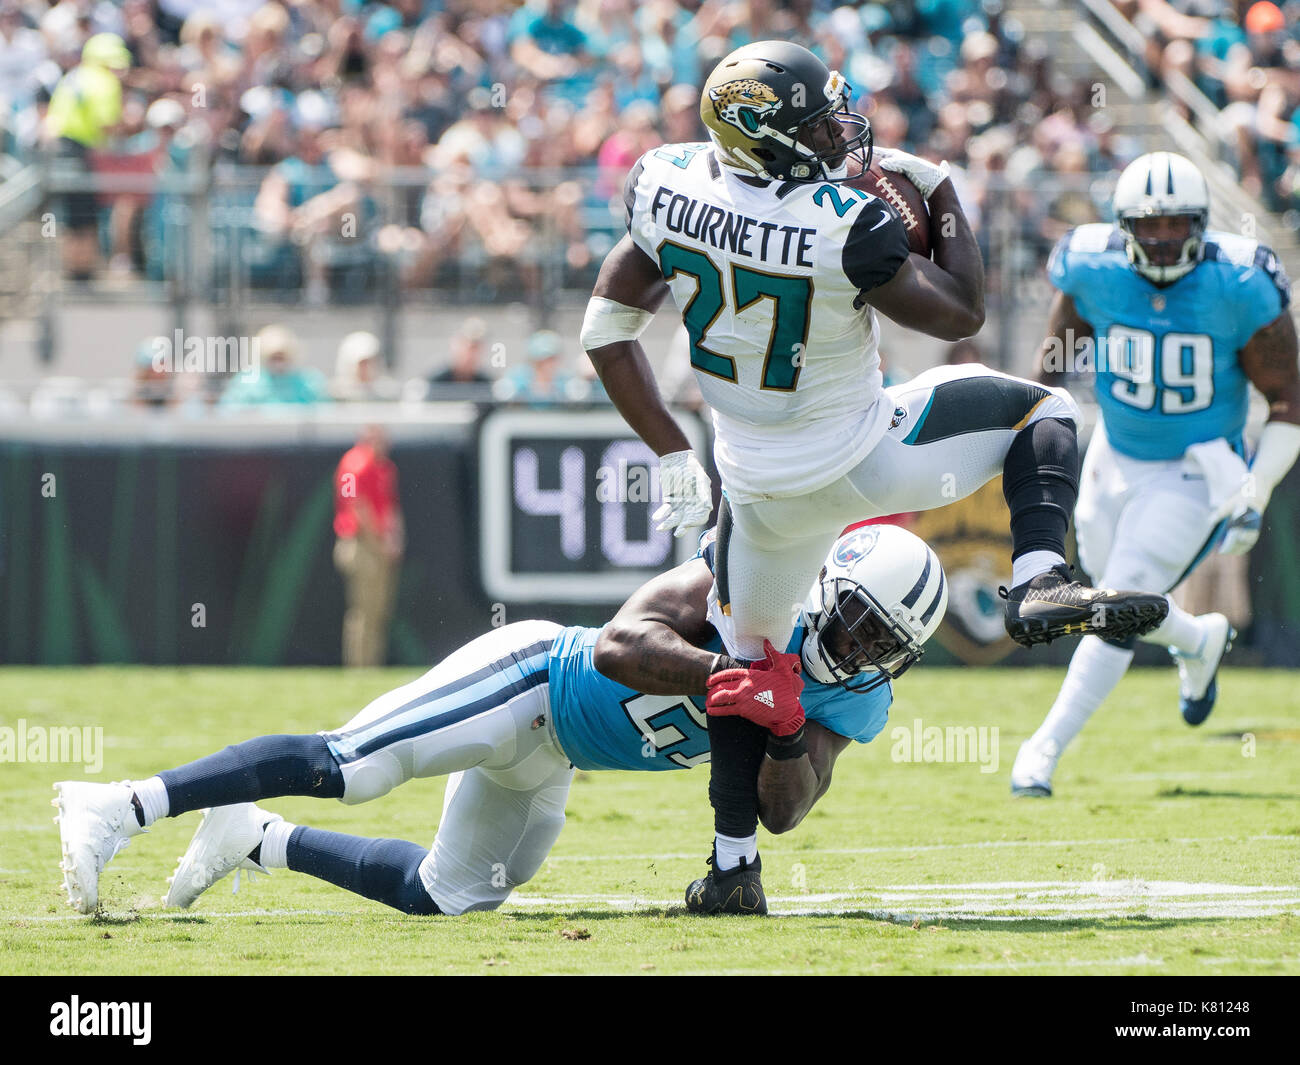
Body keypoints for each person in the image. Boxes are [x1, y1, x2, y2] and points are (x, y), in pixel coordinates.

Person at [580, 41, 1170, 905]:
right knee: (1044, 411)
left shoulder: (665, 184)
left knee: (751, 665)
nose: (836, 130)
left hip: (758, 494)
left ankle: (733, 870)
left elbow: (606, 325)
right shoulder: (839, 223)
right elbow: (960, 308)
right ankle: (1040, 575)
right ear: (761, 135)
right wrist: (940, 189)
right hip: (870, 456)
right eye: (815, 121)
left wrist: (672, 449)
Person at [53, 524, 945, 917]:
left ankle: (254, 840)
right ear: (828, 584)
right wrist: (732, 672)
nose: (860, 648)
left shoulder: (853, 692)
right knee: (354, 763)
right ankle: (121, 804)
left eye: (883, 643)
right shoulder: (751, 586)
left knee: (451, 894)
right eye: (858, 619)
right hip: (532, 680)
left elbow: (786, 809)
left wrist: (786, 725)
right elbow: (618, 643)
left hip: (555, 756)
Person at [1011, 151, 1300, 797]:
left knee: (1121, 595)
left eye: (1178, 223)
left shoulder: (1240, 281)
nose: (1165, 238)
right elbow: (1057, 353)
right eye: (1150, 224)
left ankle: (1043, 750)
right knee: (1116, 594)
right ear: (1122, 226)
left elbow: (1289, 399)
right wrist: (1022, 425)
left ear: (1201, 222)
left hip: (1197, 464)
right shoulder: (1092, 263)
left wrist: (1255, 485)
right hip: (1113, 452)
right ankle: (1197, 640)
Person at [334, 425, 404, 668]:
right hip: (361, 544)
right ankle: (358, 666)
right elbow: (356, 506)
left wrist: (395, 538)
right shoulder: (353, 465)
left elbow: (391, 507)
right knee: (362, 610)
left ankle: (373, 664)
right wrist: (380, 542)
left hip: (380, 545)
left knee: (378, 610)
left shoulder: (385, 468)